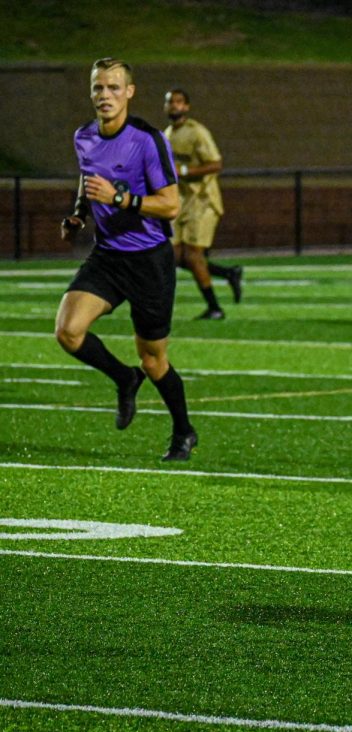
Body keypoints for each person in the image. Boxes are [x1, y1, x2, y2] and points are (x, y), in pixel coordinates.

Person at [57, 57, 198, 461]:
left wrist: (122, 199)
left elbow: (171, 204)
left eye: (114, 88)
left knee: (154, 360)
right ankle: (123, 378)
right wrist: (78, 215)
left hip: (149, 259)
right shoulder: (83, 136)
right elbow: (87, 179)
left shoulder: (148, 139)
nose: (105, 95)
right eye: (99, 88)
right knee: (68, 331)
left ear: (130, 93)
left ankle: (184, 432)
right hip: (108, 255)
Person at [163, 88, 243, 320]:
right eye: (170, 102)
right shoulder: (167, 134)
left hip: (203, 200)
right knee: (173, 257)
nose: (174, 106)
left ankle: (215, 308)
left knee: (193, 256)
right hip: (181, 201)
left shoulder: (197, 132)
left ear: (186, 106)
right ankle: (228, 273)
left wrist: (184, 171)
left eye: (178, 102)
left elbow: (216, 164)